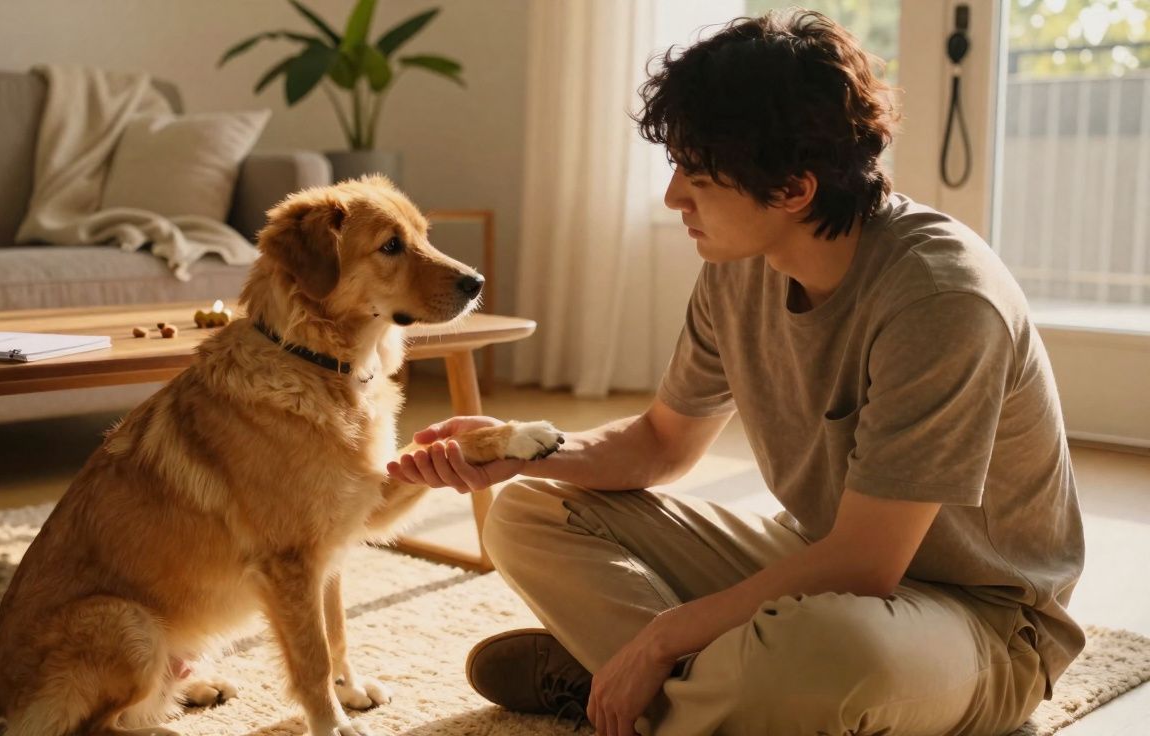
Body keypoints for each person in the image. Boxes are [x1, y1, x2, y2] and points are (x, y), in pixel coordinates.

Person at [386, 10, 1083, 736]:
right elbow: (661, 442)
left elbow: (869, 565)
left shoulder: (942, 298)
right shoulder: (741, 265)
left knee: (827, 656)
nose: (672, 198)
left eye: (697, 175)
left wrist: (661, 638)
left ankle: (630, 679)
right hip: (821, 562)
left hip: (983, 623)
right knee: (531, 509)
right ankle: (701, 694)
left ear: (793, 191)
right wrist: (519, 447)